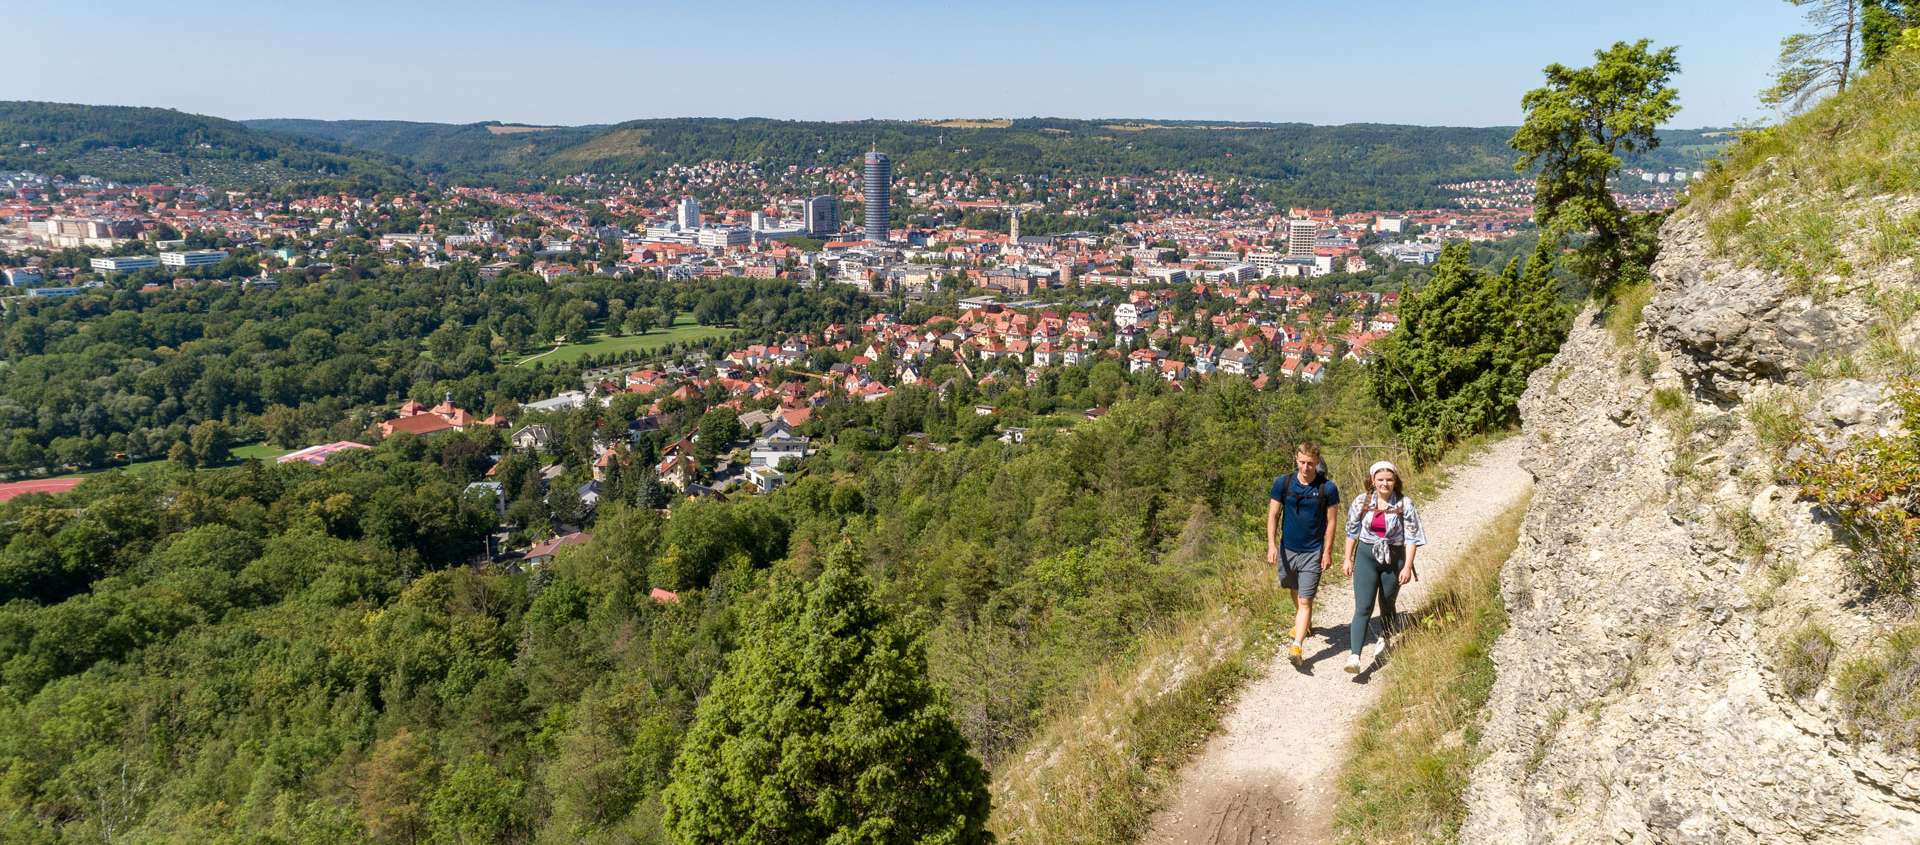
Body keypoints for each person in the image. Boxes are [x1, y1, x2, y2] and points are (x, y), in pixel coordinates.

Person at [1340, 460, 1426, 674]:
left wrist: (1407, 566)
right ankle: (1355, 657)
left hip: (1394, 557)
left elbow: (1412, 538)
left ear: (1395, 480)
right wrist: (1347, 558)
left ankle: (1384, 638)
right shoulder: (1361, 501)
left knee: (1387, 602)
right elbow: (1351, 532)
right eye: (1380, 480)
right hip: (1366, 556)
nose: (1385, 484)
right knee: (1363, 607)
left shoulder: (1405, 504)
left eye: (1389, 479)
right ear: (1372, 480)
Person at [1268, 442, 1341, 665]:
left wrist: (1327, 552)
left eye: (1310, 463)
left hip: (1313, 551)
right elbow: (1273, 515)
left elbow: (1331, 523)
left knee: (1305, 599)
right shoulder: (1283, 483)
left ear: (1317, 463)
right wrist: (1271, 546)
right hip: (1287, 549)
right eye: (1302, 463)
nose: (1306, 467)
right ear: (1296, 460)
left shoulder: (1327, 488)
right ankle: (1304, 623)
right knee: (1293, 588)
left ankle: (1297, 646)